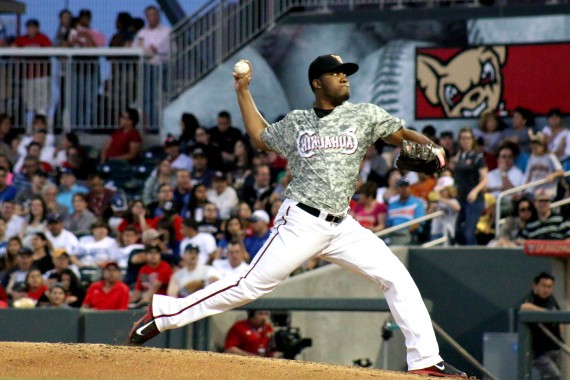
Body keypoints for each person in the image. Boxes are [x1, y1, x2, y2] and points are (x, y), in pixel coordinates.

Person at [128, 54, 466, 377]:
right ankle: (164, 313)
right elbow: (260, 136)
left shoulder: (364, 115)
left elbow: (404, 136)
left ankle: (425, 360)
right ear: (317, 84)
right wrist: (243, 91)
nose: (344, 76)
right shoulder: (297, 122)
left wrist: (432, 147)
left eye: (345, 72)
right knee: (248, 287)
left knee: (397, 277)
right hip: (301, 221)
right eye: (336, 73)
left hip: (343, 225)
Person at [520, 272, 562, 380]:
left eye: (549, 287)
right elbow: (525, 307)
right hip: (540, 351)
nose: (546, 290)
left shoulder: (551, 299)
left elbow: (559, 315)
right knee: (555, 375)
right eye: (543, 286)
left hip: (555, 347)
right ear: (535, 285)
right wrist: (545, 313)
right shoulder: (531, 298)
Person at [453, 127, 488, 246]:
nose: (465, 141)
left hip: (474, 200)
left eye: (468, 138)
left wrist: (475, 191)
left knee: (469, 232)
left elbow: (484, 179)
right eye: (463, 138)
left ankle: (475, 259)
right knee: (457, 232)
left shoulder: (478, 157)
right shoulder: (458, 157)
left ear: (472, 140)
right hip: (460, 198)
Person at [13, 19, 53, 118]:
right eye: (28, 27)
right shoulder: (22, 39)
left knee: (42, 104)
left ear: (37, 28)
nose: (30, 30)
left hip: (42, 76)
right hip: (28, 76)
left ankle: (42, 127)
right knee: (29, 104)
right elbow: (13, 48)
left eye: (33, 27)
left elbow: (50, 50)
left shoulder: (43, 38)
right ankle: (30, 128)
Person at [385, 178, 427, 246]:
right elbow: (388, 224)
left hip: (409, 236)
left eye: (406, 186)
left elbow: (418, 223)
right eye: (401, 187)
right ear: (397, 189)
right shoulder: (392, 205)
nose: (404, 189)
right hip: (392, 236)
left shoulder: (417, 203)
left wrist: (404, 232)